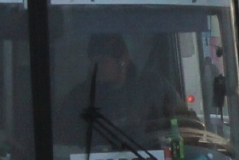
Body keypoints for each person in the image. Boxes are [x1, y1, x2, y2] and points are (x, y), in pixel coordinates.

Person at [60, 33, 192, 147]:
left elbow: (185, 125)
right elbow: (65, 140)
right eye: (92, 63)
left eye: (102, 62)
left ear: (123, 60)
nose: (94, 68)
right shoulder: (80, 97)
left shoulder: (155, 88)